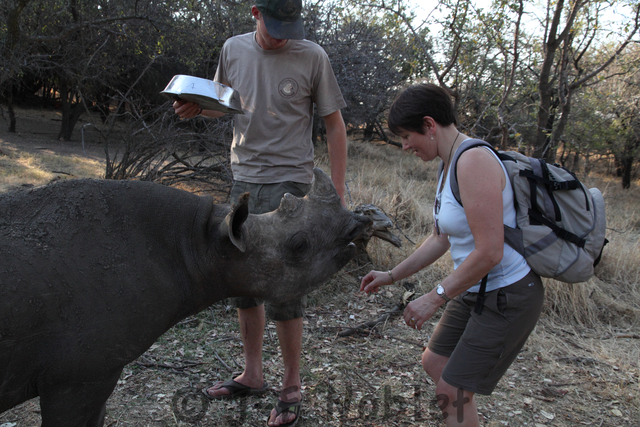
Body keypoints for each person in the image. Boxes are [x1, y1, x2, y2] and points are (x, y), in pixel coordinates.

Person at [173, 1, 347, 426]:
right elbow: (225, 104)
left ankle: (291, 386)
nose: (282, 35)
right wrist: (197, 108)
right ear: (255, 12)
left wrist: (336, 198)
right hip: (244, 178)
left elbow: (335, 124)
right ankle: (252, 375)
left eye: (290, 27)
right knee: (242, 280)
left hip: (290, 184)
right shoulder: (233, 49)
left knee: (284, 285)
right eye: (274, 26)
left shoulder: (312, 56)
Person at [360, 83, 544, 427]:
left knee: (452, 388)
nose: (404, 146)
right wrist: (391, 275)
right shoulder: (448, 163)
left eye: (406, 136)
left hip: (508, 294)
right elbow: (439, 238)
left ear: (429, 125)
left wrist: (434, 297)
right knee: (435, 362)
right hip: (474, 287)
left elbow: (490, 252)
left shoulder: (473, 160)